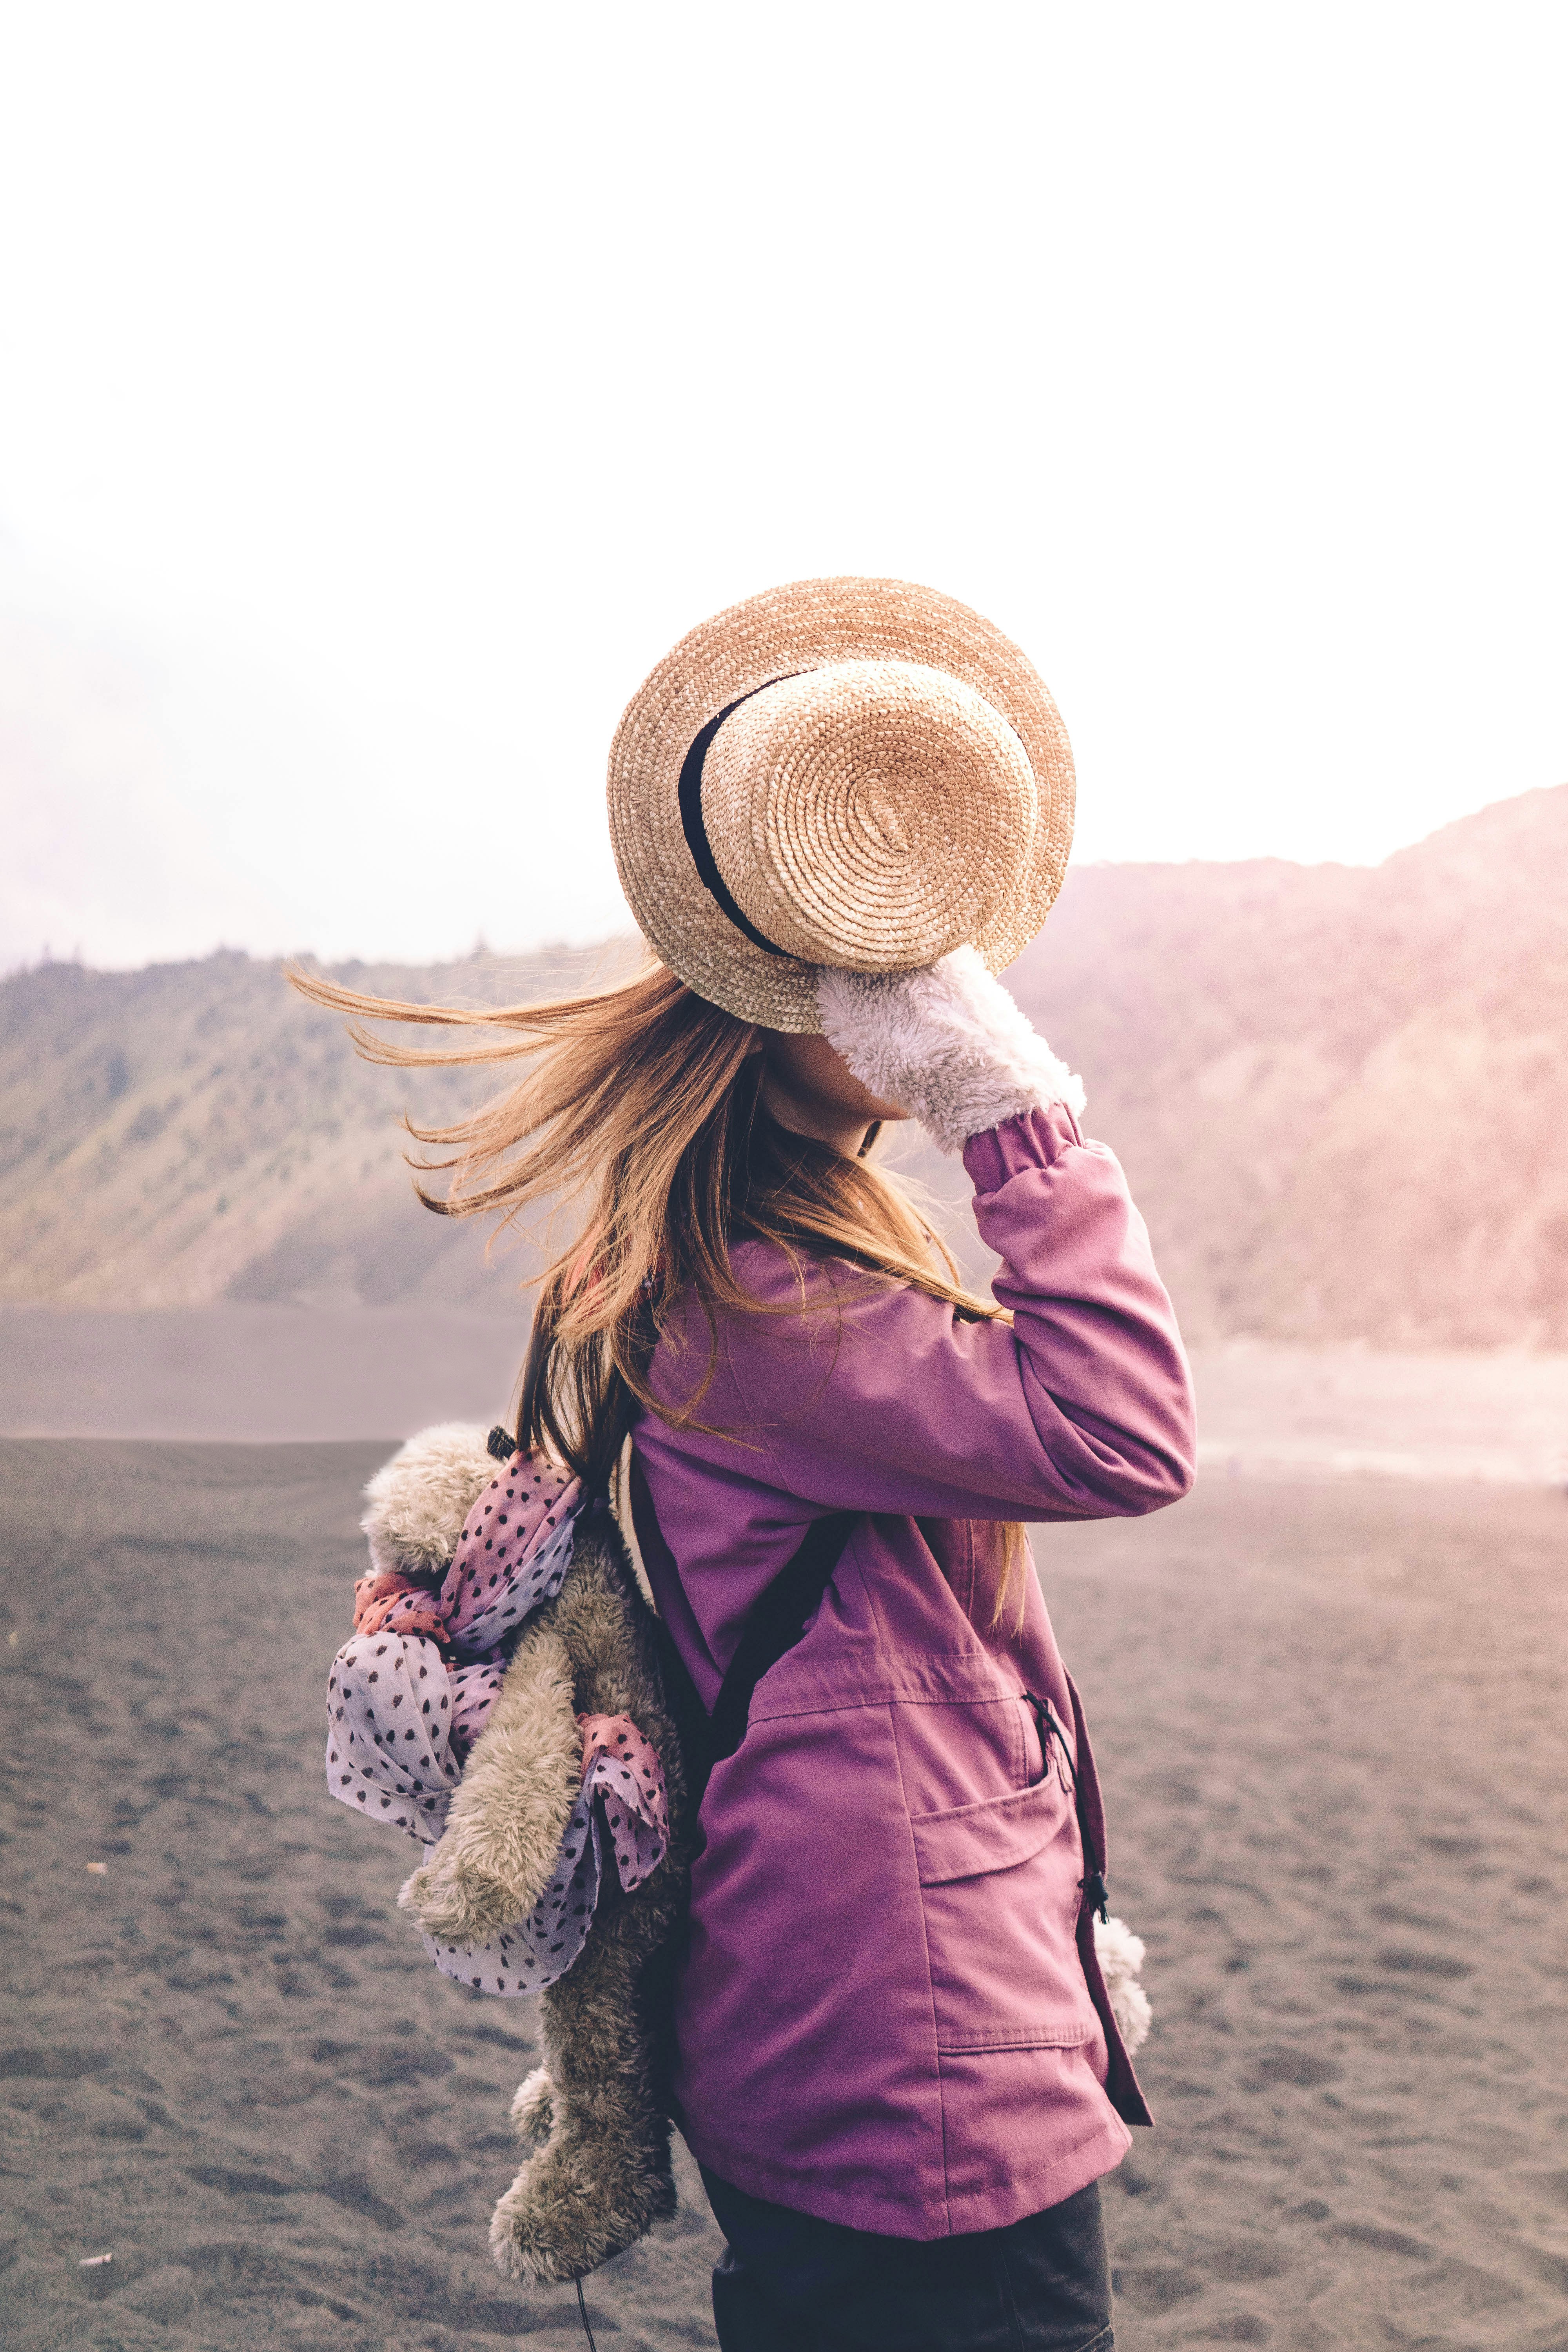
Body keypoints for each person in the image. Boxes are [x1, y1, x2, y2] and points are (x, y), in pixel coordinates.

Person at [300, 579, 1195, 2351]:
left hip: (831, 2016)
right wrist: (1010, 1113)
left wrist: (1053, 1929)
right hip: (907, 2060)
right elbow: (1125, 1424)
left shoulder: (710, 1269)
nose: (948, 993)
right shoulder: (762, 1304)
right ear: (814, 999)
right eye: (904, 964)